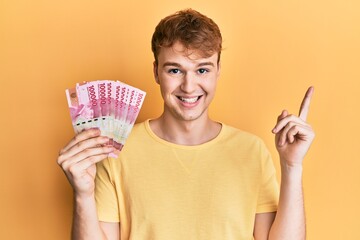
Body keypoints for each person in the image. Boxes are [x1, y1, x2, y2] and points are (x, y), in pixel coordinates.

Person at [57, 9, 315, 240]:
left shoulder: (252, 151)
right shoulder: (114, 151)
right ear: (156, 71)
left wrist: (291, 166)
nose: (189, 87)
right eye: (175, 70)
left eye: (202, 70)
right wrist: (83, 195)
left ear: (218, 70)